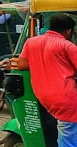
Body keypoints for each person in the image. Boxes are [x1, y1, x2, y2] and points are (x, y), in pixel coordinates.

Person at [13, 13, 77, 147]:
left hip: (43, 97)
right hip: (66, 98)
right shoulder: (67, 46)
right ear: (68, 31)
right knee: (68, 137)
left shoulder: (31, 42)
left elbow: (22, 64)